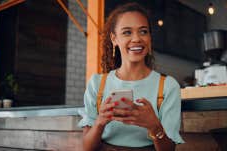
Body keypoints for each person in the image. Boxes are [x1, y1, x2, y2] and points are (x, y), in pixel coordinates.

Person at [78, 2, 184, 151]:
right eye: (127, 32)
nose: (136, 39)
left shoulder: (167, 86)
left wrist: (154, 126)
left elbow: (169, 149)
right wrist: (100, 123)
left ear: (149, 38)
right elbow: (86, 148)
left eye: (143, 31)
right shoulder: (97, 84)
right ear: (114, 39)